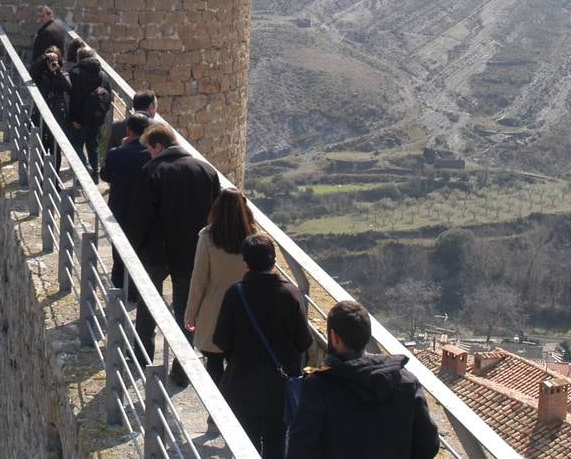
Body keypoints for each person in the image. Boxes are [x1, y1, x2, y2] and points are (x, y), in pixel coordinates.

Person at [286, 300, 439, 459]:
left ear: (334, 337)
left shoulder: (318, 387)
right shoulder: (407, 382)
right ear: (366, 335)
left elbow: (300, 450)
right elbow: (428, 444)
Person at [131, 122, 221, 379]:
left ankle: (142, 355)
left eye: (149, 149)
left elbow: (141, 217)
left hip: (157, 252)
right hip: (193, 252)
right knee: (187, 311)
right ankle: (182, 370)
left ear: (159, 146)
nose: (149, 154)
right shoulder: (207, 171)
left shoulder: (152, 171)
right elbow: (215, 216)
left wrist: (135, 248)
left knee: (148, 303)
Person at [212, 233, 312, 459]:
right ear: (274, 261)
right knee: (277, 440)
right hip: (281, 386)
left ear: (245, 263)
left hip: (243, 383)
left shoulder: (235, 294)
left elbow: (221, 341)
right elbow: (304, 341)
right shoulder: (291, 293)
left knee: (247, 442)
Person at [185, 188, 257, 385]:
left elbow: (199, 279)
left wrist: (190, 313)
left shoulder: (207, 237)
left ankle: (215, 410)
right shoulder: (252, 237)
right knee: (237, 363)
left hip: (214, 309)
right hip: (245, 308)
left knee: (214, 363)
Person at [101, 113, 152, 298]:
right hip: (144, 213)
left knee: (119, 257)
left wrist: (122, 148)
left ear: (128, 131)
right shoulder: (152, 156)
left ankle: (117, 295)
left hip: (119, 212)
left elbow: (105, 175)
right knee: (140, 254)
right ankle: (135, 293)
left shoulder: (117, 154)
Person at [67, 46, 111, 181]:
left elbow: (75, 99)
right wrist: (102, 112)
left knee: (75, 145)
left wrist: (74, 119)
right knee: (93, 144)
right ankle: (95, 174)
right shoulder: (103, 74)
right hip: (97, 117)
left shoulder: (75, 73)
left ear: (79, 58)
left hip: (80, 118)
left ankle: (85, 168)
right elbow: (108, 97)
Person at [29, 45, 71, 131]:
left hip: (57, 113)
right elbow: (32, 72)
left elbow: (68, 88)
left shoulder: (63, 73)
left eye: (54, 60)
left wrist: (58, 71)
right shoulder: (40, 74)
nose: (51, 63)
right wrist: (43, 57)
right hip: (40, 110)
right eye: (49, 60)